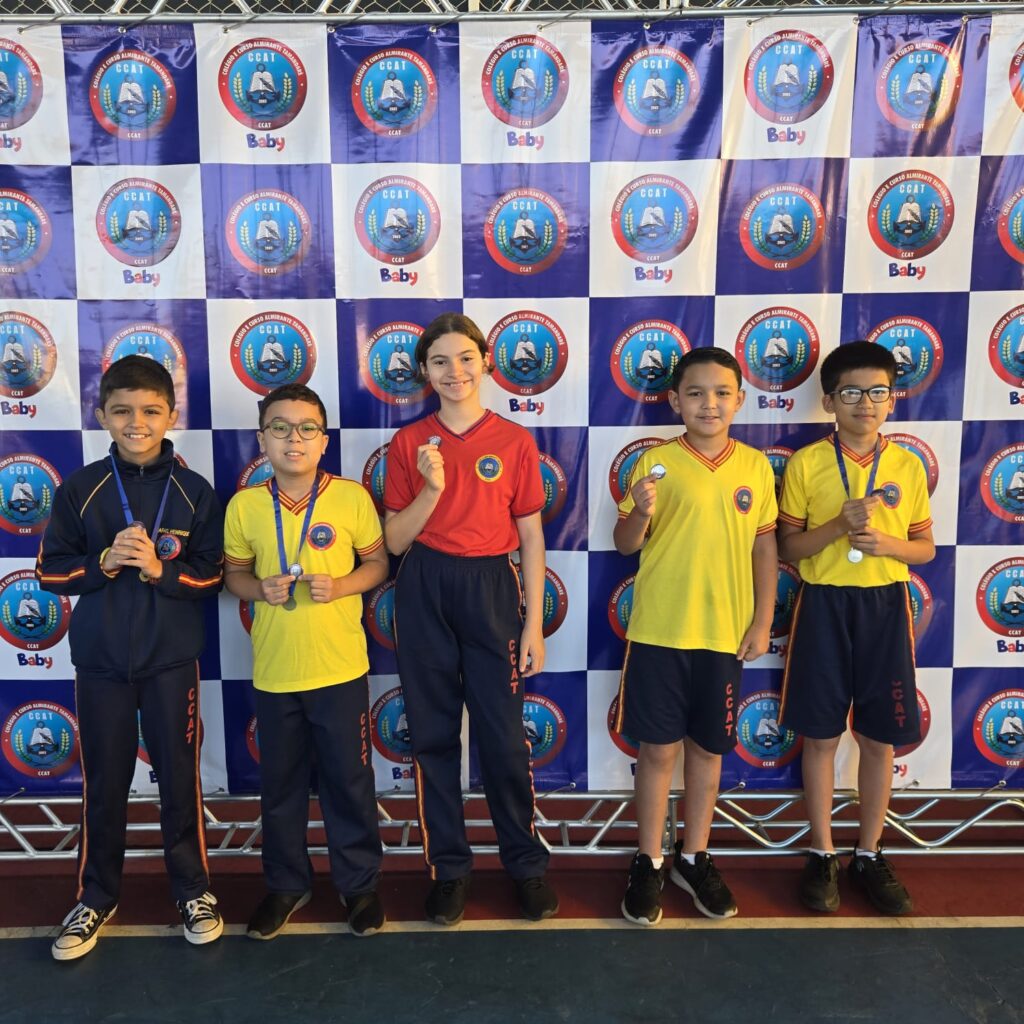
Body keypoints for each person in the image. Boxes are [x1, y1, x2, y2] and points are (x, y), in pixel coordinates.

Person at [36, 355, 224, 961]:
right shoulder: (81, 487)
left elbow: (213, 576)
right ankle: (97, 896)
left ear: (171, 415)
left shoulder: (195, 491)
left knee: (179, 780)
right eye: (121, 411)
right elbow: (48, 573)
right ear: (101, 416)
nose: (136, 423)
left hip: (171, 664)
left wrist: (161, 571)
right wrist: (104, 563)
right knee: (105, 784)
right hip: (100, 665)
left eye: (150, 411)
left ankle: (193, 891)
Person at [382, 312, 557, 927]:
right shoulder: (409, 443)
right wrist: (430, 490)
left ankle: (525, 864)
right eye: (439, 361)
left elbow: (530, 536)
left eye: (464, 358)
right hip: (425, 585)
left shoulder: (514, 441)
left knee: (504, 737)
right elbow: (395, 542)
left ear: (485, 362)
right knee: (433, 735)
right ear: (424, 372)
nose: (454, 371)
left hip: (491, 588)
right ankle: (449, 870)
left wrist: (532, 625)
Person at [615, 347, 778, 925]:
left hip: (724, 635)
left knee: (707, 750)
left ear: (740, 399)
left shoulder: (755, 467)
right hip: (660, 630)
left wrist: (762, 621)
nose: (709, 404)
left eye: (721, 393)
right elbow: (626, 543)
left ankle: (694, 856)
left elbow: (764, 547)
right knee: (658, 750)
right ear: (674, 400)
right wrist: (639, 512)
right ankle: (649, 860)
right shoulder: (656, 462)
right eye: (695, 393)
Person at [223, 383, 389, 940]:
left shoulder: (351, 498)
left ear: (323, 440)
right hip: (275, 673)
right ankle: (286, 885)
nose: (293, 439)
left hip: (340, 670)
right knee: (281, 787)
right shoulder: (245, 505)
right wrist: (257, 589)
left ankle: (359, 885)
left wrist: (341, 584)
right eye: (280, 427)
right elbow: (233, 575)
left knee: (349, 782)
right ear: (261, 438)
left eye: (306, 428)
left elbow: (378, 566)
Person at [777, 341, 935, 916]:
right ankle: (821, 853)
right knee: (820, 737)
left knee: (878, 738)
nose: (865, 403)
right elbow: (789, 548)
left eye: (877, 392)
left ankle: (868, 852)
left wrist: (888, 544)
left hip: (884, 607)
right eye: (850, 392)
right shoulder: (806, 463)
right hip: (823, 604)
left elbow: (924, 548)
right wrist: (837, 528)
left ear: (892, 400)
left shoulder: (908, 465)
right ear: (829, 401)